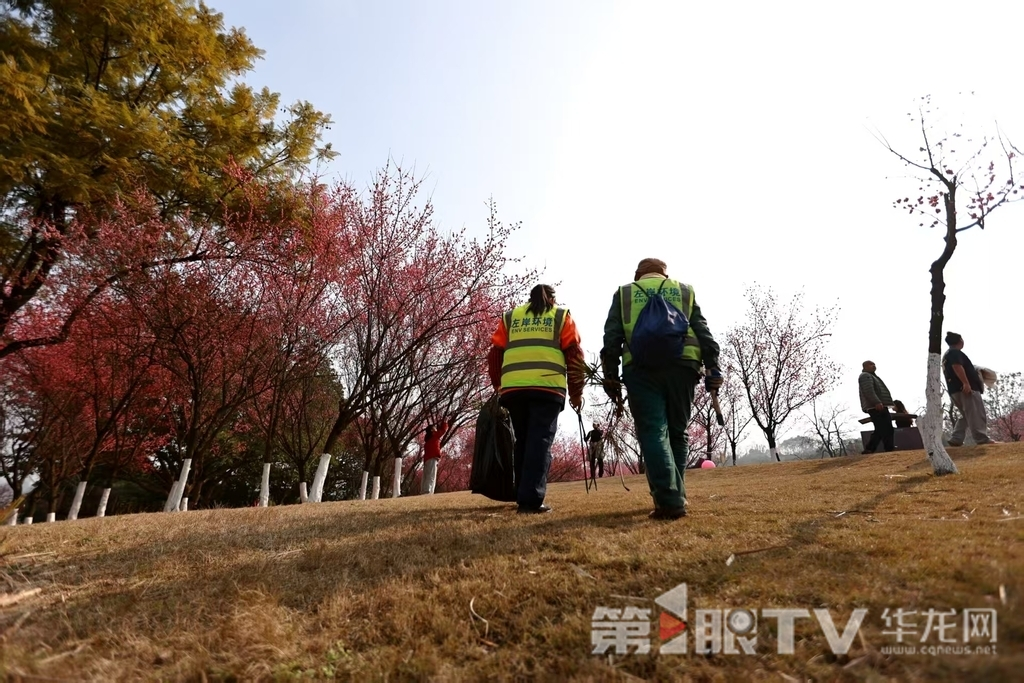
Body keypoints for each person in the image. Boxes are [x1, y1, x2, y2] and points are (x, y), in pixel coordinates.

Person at [600, 258, 721, 520]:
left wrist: (610, 374)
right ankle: (677, 494)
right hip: (684, 367)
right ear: (665, 274)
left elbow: (612, 337)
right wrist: (713, 366)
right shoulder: (685, 290)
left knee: (654, 430)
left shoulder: (624, 293)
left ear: (638, 275)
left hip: (641, 369)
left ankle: (669, 500)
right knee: (678, 432)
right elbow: (703, 332)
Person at [488, 284, 585, 514]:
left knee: (522, 441)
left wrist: (498, 385)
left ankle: (523, 495)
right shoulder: (561, 316)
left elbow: (495, 353)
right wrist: (576, 392)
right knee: (540, 441)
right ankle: (531, 501)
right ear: (553, 298)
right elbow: (574, 356)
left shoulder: (511, 317)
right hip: (547, 388)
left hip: (514, 390)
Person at [942, 332, 996, 446]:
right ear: (960, 341)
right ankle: (982, 439)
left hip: (954, 390)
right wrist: (966, 383)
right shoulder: (955, 353)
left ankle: (956, 438)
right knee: (976, 413)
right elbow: (957, 366)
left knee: (966, 415)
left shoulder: (947, 355)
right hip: (965, 389)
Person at [859, 360, 896, 454]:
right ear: (865, 366)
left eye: (874, 364)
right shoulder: (865, 376)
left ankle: (872, 448)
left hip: (880, 405)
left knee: (883, 428)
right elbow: (868, 391)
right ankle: (886, 448)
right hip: (875, 406)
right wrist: (877, 402)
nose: (874, 366)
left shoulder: (872, 376)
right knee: (884, 427)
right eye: (871, 364)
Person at [421, 418, 449, 494]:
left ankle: (424, 490)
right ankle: (428, 491)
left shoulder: (428, 440)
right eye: (434, 428)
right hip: (432, 458)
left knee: (426, 475)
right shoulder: (434, 436)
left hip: (427, 459)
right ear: (432, 430)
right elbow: (443, 431)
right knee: (431, 476)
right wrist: (445, 423)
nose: (436, 429)